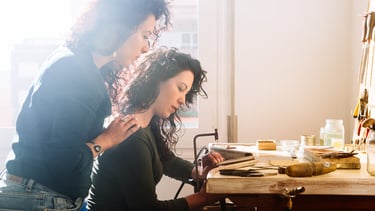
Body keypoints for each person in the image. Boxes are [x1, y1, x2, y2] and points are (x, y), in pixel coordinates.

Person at [0, 0, 171, 210]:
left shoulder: (73, 61)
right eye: (145, 35)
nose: (146, 47)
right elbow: (63, 162)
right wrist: (105, 140)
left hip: (34, 192)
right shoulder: (79, 77)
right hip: (41, 198)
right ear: (121, 27)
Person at [87, 47, 226, 211]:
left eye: (186, 93)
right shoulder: (132, 136)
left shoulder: (145, 123)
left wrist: (199, 171)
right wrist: (204, 197)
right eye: (180, 88)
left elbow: (168, 162)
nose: (182, 100)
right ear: (154, 81)